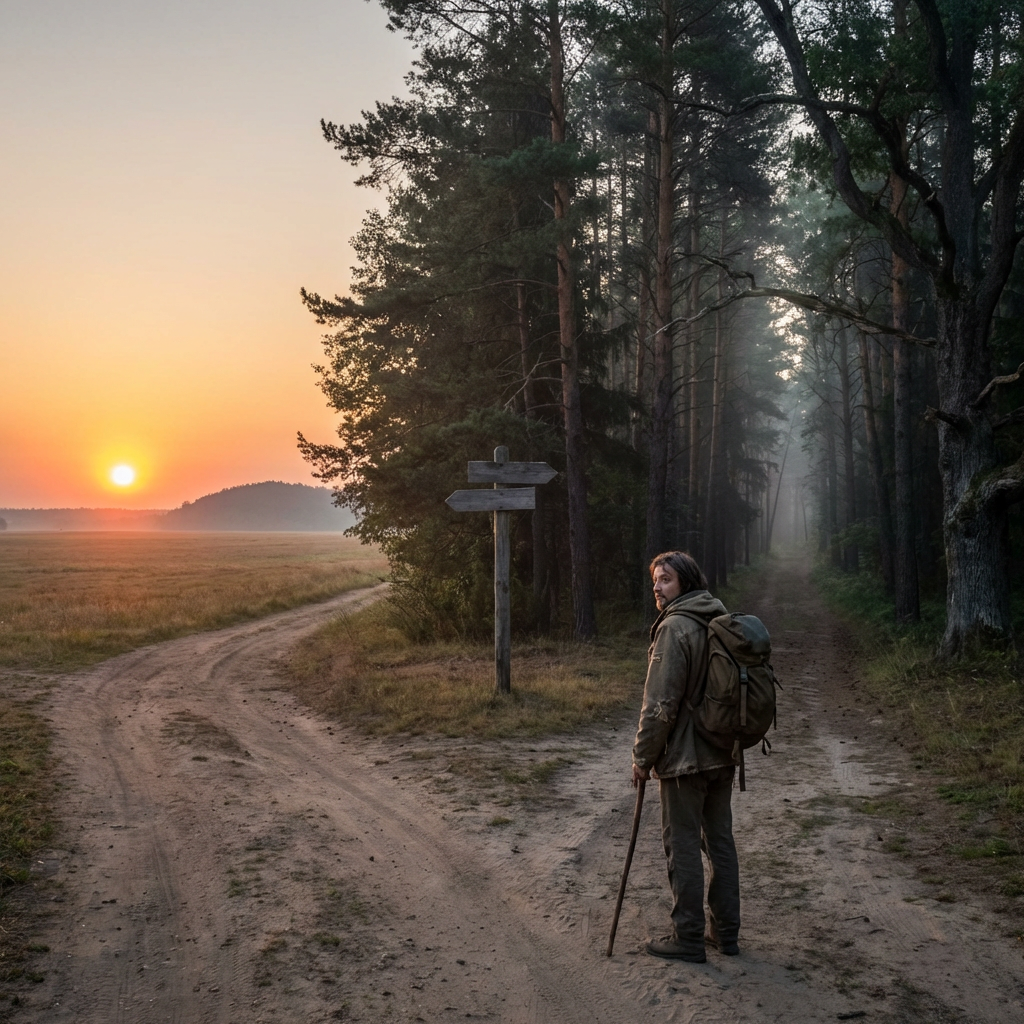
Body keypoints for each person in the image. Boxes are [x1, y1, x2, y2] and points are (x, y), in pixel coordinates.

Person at [631, 551, 740, 962]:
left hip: (685, 760)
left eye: (666, 580)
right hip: (723, 752)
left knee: (683, 846)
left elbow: (660, 703)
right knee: (721, 844)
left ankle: (689, 938)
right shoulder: (718, 617)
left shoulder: (674, 628)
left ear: (686, 583)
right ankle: (726, 934)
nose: (657, 588)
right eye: (655, 580)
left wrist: (643, 757)